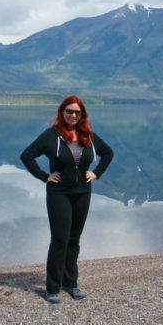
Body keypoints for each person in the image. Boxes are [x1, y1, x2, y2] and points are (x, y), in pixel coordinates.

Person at [20, 95, 114, 304]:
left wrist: (96, 173)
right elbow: (27, 155)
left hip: (82, 192)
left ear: (82, 116)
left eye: (77, 112)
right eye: (69, 111)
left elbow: (108, 153)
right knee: (60, 239)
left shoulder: (87, 136)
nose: (73, 115)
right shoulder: (51, 136)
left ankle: (70, 284)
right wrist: (45, 176)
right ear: (62, 112)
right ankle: (52, 287)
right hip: (59, 193)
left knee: (74, 239)